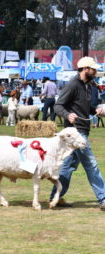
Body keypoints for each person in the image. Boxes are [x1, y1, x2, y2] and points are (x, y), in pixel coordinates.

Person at [49, 56, 105, 211]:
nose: (95, 71)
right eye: (93, 69)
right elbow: (58, 106)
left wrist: (96, 110)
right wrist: (68, 115)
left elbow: (86, 108)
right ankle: (104, 198)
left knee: (67, 167)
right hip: (76, 133)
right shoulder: (72, 85)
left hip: (81, 130)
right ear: (85, 69)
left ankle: (56, 197)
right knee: (91, 165)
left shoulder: (89, 86)